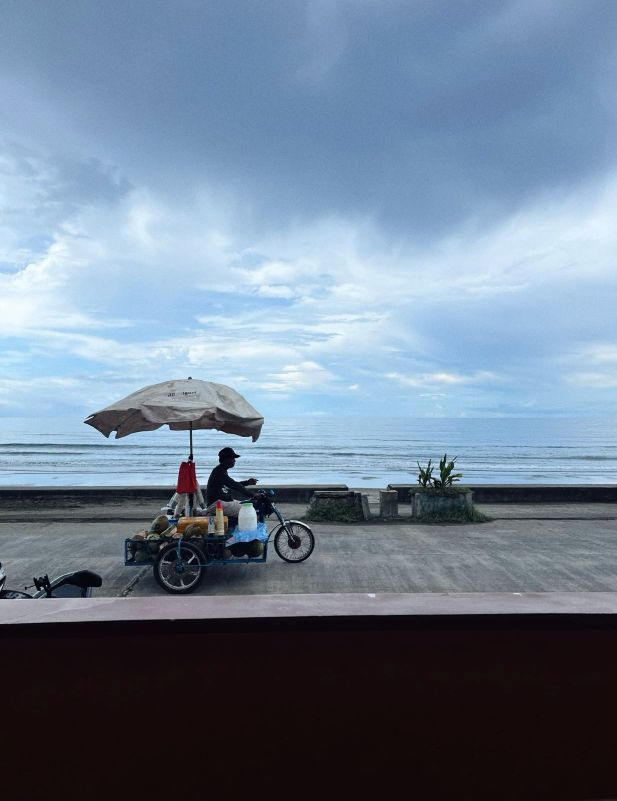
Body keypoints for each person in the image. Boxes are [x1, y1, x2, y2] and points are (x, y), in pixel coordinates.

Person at [205, 447, 261, 558]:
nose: (234, 460)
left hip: (223, 502)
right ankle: (238, 542)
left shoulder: (221, 471)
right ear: (225, 459)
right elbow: (233, 485)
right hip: (217, 504)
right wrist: (252, 494)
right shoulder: (219, 472)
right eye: (232, 458)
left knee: (245, 506)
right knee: (247, 512)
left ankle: (239, 540)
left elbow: (232, 484)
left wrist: (247, 482)